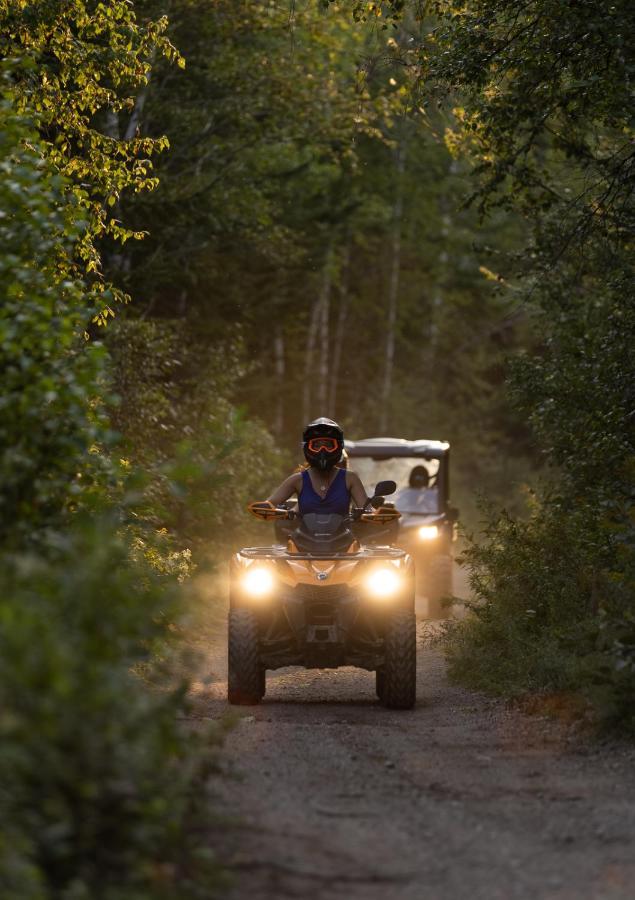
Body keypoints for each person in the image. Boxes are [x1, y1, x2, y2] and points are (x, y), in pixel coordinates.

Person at [267, 418, 369, 516]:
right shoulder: (297, 479)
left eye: (328, 445)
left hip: (344, 534)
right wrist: (267, 508)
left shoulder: (350, 478)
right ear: (307, 447)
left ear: (338, 447)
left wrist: (377, 513)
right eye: (316, 445)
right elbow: (270, 504)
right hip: (303, 534)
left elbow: (367, 509)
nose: (322, 450)